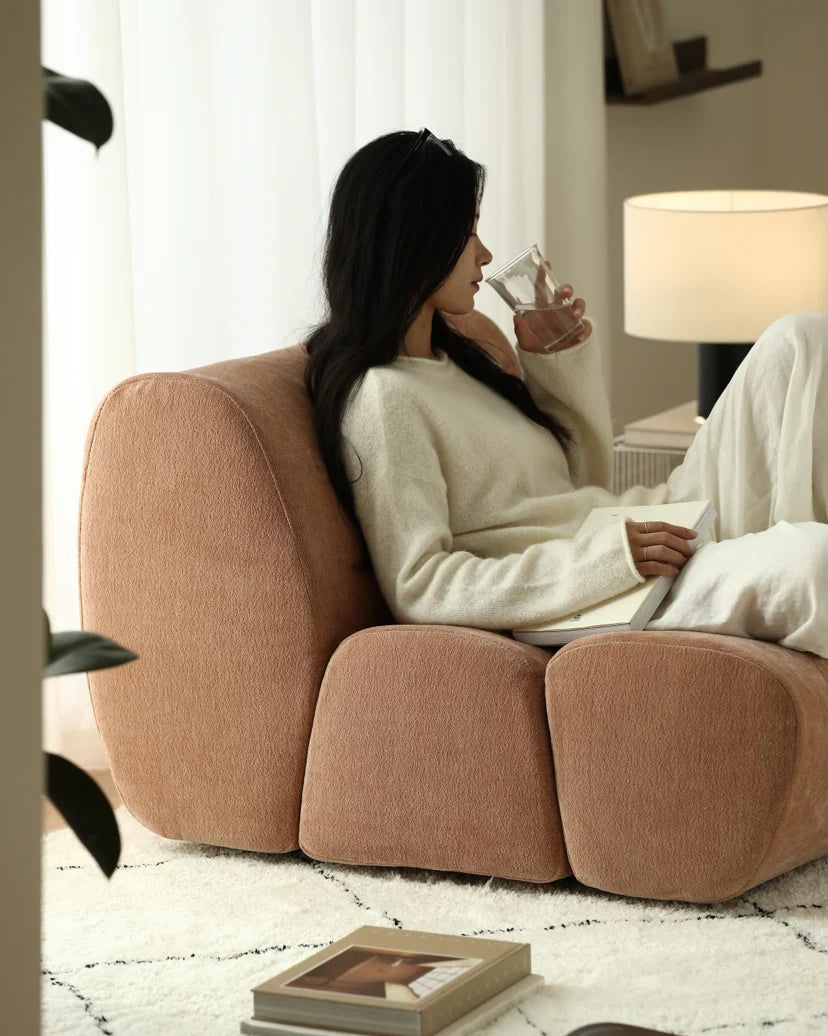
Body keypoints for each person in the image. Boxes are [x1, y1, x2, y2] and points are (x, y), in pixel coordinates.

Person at [303, 128, 828, 658]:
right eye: (468, 232)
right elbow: (420, 585)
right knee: (815, 562)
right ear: (414, 239)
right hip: (607, 589)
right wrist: (607, 563)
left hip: (645, 528)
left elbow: (579, 484)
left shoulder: (462, 358)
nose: (484, 255)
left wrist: (555, 361)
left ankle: (767, 540)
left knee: (802, 342)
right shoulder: (382, 398)